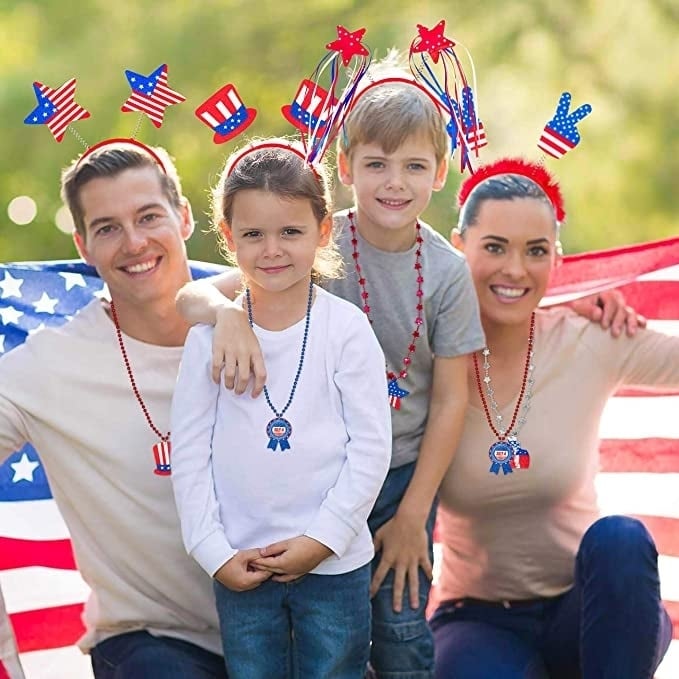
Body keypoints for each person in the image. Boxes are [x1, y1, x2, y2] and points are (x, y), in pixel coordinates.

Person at [176, 61, 487, 678]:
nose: (393, 183)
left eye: (413, 166)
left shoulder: (447, 273)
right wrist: (227, 317)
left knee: (395, 627)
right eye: (375, 164)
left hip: (400, 473)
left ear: (439, 172)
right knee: (303, 635)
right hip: (311, 474)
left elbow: (452, 400)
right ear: (346, 168)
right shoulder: (303, 237)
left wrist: (410, 515)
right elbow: (193, 297)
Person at [430, 158, 677, 679]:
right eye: (495, 247)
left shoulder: (590, 338)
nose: (515, 270)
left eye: (535, 251)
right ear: (458, 246)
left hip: (591, 611)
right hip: (476, 619)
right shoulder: (425, 356)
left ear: (557, 259)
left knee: (621, 539)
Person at [0, 142, 230, 678]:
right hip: (151, 643)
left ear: (184, 217)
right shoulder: (48, 368)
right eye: (107, 228)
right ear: (83, 245)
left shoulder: (267, 315)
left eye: (149, 216)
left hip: (286, 626)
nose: (134, 242)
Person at [170, 140, 392, 679]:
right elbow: (190, 452)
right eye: (252, 234)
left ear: (323, 231)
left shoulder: (346, 330)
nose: (272, 249)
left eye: (290, 232)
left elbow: (369, 449)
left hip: (334, 563)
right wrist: (211, 550)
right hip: (241, 563)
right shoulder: (208, 340)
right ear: (227, 237)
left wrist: (322, 539)